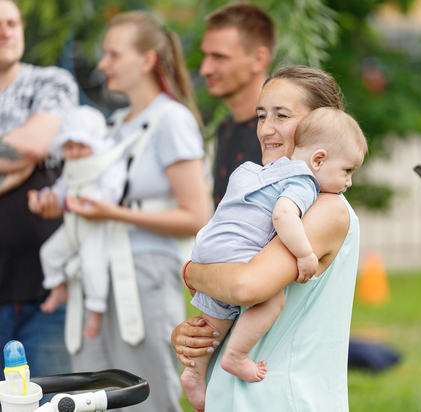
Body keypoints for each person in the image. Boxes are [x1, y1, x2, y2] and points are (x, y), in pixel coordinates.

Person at [172, 65, 364, 412]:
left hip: (283, 397)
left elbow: (246, 286)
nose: (266, 129)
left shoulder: (327, 208)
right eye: (262, 116)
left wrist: (190, 272)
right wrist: (192, 336)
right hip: (239, 394)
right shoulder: (270, 200)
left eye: (282, 115)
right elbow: (229, 294)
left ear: (321, 123)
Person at [57, 11, 211, 412]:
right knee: (90, 396)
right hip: (96, 276)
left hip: (144, 273)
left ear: (146, 61)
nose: (102, 63)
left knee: (145, 399)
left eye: (112, 53)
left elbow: (197, 214)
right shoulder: (115, 124)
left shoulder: (172, 120)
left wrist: (112, 214)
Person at [0, 0, 79, 379]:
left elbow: (33, 144)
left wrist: (28, 152)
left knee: (48, 401)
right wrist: (16, 161)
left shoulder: (51, 82)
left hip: (47, 293)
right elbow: (26, 149)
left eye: (12, 22)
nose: (6, 32)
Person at [28, 105, 126, 339]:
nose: (74, 152)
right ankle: (57, 288)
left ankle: (95, 311)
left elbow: (113, 191)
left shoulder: (108, 161)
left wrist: (92, 202)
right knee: (49, 253)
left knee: (93, 267)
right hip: (72, 224)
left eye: (81, 145)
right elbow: (62, 189)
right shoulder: (71, 166)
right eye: (69, 147)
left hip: (94, 225)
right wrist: (46, 196)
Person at [199, 2, 277, 207]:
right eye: (205, 56)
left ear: (258, 59)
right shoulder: (225, 128)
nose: (205, 69)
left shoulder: (287, 130)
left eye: (219, 57)